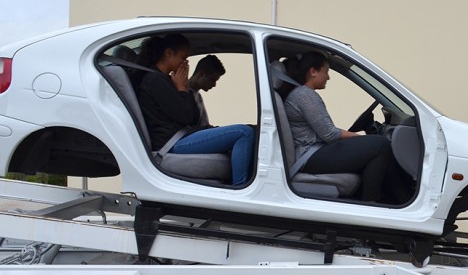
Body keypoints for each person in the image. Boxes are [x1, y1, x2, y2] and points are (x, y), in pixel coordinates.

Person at [284, 51, 409, 203]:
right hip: (309, 155)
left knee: (377, 147)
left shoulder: (301, 94)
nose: (328, 77)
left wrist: (362, 141)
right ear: (313, 71)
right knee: (381, 145)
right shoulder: (305, 95)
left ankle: (400, 200)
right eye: (326, 71)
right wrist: (362, 138)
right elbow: (330, 134)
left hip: (314, 152)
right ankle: (370, 201)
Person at [133, 34, 255, 186]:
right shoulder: (155, 81)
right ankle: (240, 189)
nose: (185, 63)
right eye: (183, 57)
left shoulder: (163, 80)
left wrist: (181, 89)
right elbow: (187, 116)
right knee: (244, 133)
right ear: (169, 53)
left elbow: (190, 115)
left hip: (181, 136)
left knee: (247, 131)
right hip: (173, 142)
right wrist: (182, 89)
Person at [188, 54, 226, 128]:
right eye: (212, 80)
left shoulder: (197, 96)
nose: (214, 85)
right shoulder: (182, 93)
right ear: (201, 74)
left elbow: (204, 125)